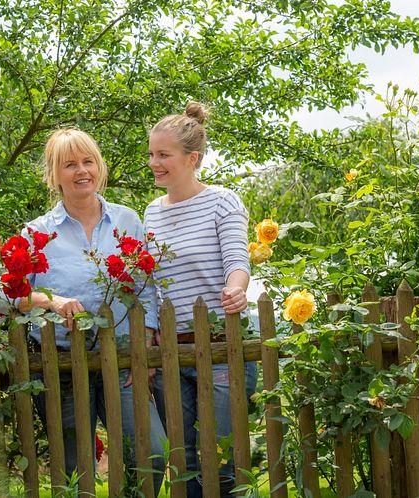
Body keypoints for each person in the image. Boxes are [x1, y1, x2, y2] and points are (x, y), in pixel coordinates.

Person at [18, 128, 166, 495]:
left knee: (153, 454)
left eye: (88, 161)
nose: (81, 171)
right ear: (54, 175)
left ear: (99, 167)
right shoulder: (37, 233)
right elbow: (6, 292)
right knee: (74, 469)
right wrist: (52, 301)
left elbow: (146, 285)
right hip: (62, 365)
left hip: (122, 361)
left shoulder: (127, 221)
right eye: (70, 164)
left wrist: (144, 343)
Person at [144, 102, 251, 497]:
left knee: (222, 458)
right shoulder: (151, 213)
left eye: (163, 155)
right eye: (152, 154)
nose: (154, 162)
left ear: (192, 159)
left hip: (221, 345)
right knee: (184, 460)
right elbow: (151, 282)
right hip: (174, 348)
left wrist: (236, 289)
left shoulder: (223, 201)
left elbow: (237, 262)